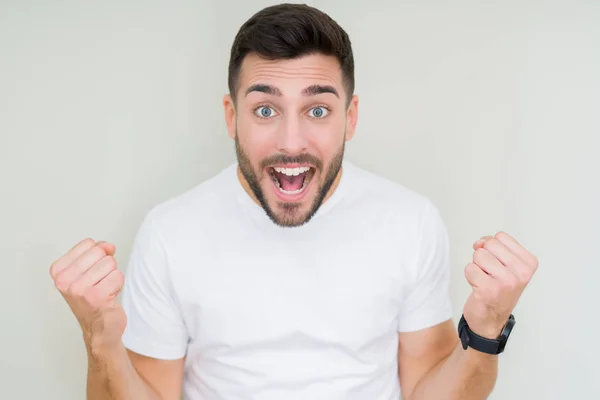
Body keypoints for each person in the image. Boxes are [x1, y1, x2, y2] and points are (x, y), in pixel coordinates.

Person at [49, 4, 538, 399]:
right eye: (265, 109)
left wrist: (486, 329)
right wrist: (102, 343)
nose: (291, 141)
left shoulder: (410, 222)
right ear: (230, 116)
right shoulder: (170, 232)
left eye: (318, 109)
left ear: (350, 117)